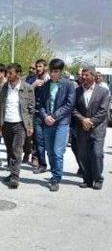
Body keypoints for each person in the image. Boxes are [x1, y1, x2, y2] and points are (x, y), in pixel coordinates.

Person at [0, 63, 35, 189]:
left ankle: (15, 177)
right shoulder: (2, 88)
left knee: (17, 150)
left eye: (11, 73)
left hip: (20, 124)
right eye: (8, 73)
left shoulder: (27, 88)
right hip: (6, 123)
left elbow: (31, 109)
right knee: (10, 150)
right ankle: (12, 173)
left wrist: (29, 125)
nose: (8, 75)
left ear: (18, 74)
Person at [37, 58, 75, 192]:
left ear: (61, 71)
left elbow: (69, 104)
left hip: (61, 123)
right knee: (50, 151)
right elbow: (40, 104)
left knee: (58, 151)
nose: (53, 74)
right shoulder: (46, 85)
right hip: (47, 122)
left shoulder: (69, 85)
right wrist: (45, 116)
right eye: (52, 71)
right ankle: (54, 172)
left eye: (56, 71)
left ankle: (56, 178)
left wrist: (54, 116)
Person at [73, 67, 110, 189]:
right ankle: (87, 179)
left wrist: (91, 122)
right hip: (82, 127)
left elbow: (103, 111)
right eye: (82, 75)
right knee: (83, 154)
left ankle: (98, 178)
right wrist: (83, 119)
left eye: (86, 75)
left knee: (96, 153)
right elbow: (73, 109)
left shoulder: (103, 92)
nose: (83, 77)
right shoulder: (77, 91)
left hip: (97, 128)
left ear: (93, 76)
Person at [30, 59, 50, 172]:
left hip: (50, 115)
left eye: (40, 66)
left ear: (45, 67)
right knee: (39, 140)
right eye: (37, 66)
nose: (38, 69)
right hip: (37, 114)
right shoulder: (34, 80)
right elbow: (27, 93)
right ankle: (42, 164)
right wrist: (33, 85)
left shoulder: (50, 80)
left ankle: (55, 165)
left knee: (51, 143)